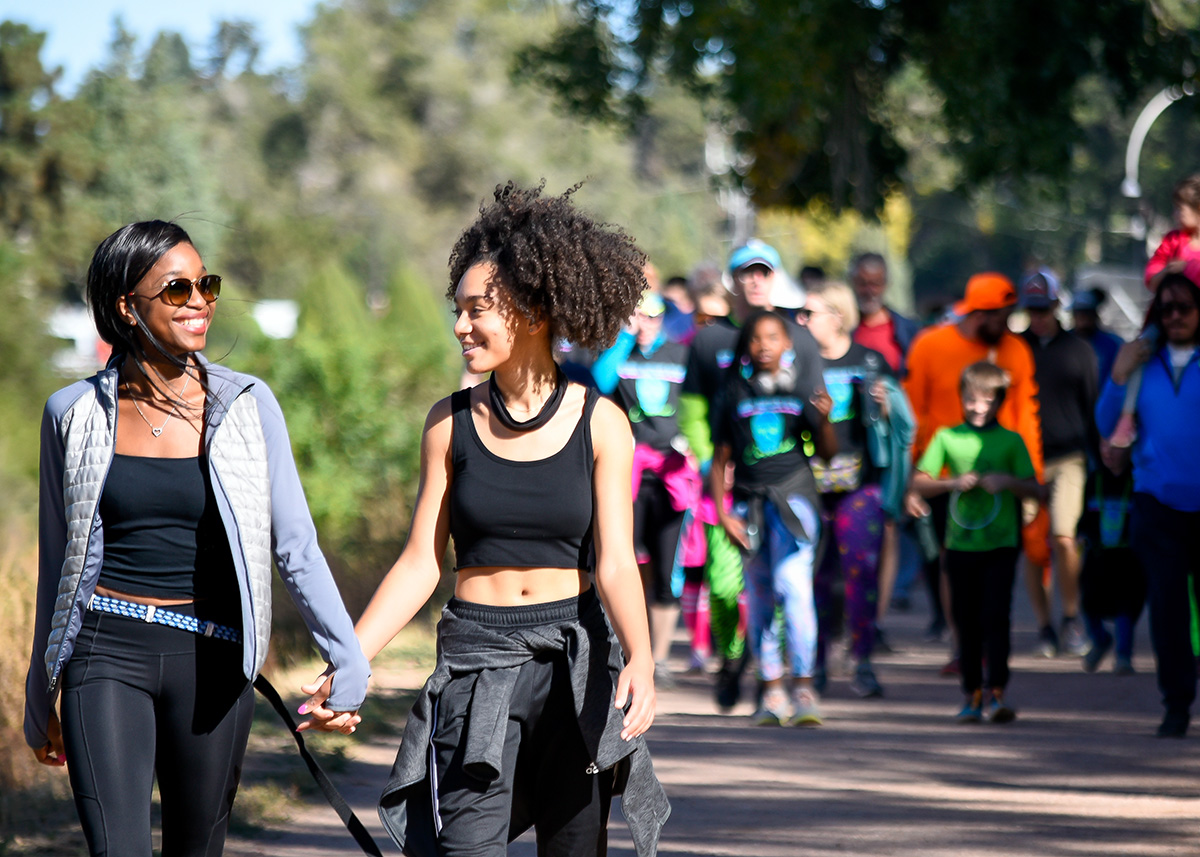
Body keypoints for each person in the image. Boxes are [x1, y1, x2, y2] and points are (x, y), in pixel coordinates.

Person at [322, 182, 668, 856]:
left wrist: (644, 659)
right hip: (476, 663)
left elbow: (617, 561)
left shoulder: (603, 423)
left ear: (534, 311)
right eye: (458, 311)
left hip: (576, 664)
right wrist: (352, 655)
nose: (460, 327)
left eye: (477, 310)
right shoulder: (447, 423)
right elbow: (421, 560)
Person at [24, 220, 369, 857]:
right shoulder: (69, 414)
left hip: (212, 660)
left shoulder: (246, 406)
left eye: (205, 285)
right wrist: (41, 687)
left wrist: (347, 659)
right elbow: (60, 563)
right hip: (103, 654)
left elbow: (294, 545)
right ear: (128, 306)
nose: (200, 302)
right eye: (177, 289)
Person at [677, 240, 826, 711]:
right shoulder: (709, 340)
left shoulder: (799, 339)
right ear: (733, 280)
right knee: (724, 588)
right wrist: (709, 466)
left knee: (786, 587)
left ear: (775, 277)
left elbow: (812, 413)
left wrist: (791, 459)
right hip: (726, 485)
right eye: (746, 272)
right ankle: (732, 657)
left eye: (764, 271)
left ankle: (778, 686)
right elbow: (694, 411)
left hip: (787, 488)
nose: (755, 280)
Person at [903, 273, 1044, 671]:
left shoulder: (1015, 349)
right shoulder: (931, 344)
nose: (1007, 322)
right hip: (945, 476)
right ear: (980, 312)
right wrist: (911, 478)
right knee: (950, 560)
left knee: (997, 562)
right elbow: (913, 410)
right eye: (1001, 315)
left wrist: (1029, 481)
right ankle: (962, 643)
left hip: (1001, 478)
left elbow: (1026, 417)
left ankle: (987, 642)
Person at [711, 310, 837, 726]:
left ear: (788, 344)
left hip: (794, 503)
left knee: (793, 587)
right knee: (760, 596)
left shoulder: (802, 389)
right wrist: (724, 514)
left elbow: (826, 454)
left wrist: (826, 419)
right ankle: (772, 691)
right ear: (746, 346)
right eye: (756, 338)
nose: (764, 344)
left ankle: (804, 687)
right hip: (750, 507)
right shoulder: (733, 394)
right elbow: (720, 460)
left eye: (773, 337)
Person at [1096, 271, 1200, 738]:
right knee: (1167, 606)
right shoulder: (1140, 362)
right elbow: (1105, 421)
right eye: (1166, 308)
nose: (1175, 316)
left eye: (1185, 307)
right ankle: (1176, 703)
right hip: (1157, 503)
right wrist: (1118, 375)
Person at [912, 362, 1044, 724]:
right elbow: (919, 483)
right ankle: (971, 694)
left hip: (1001, 544)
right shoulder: (946, 437)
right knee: (966, 621)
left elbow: (1036, 489)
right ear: (962, 399)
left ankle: (997, 693)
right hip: (959, 545)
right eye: (970, 399)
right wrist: (952, 483)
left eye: (986, 399)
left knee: (996, 617)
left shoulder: (1011, 441)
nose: (977, 406)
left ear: (999, 400)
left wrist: (1008, 482)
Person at [804, 281, 910, 699]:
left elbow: (901, 422)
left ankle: (862, 660)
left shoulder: (870, 361)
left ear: (838, 316)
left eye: (810, 314)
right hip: (809, 485)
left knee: (859, 573)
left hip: (858, 485)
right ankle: (814, 665)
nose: (802, 321)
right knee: (816, 578)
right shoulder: (800, 361)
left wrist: (888, 406)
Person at [592, 290, 700, 685]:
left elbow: (695, 404)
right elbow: (601, 380)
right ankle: (623, 651)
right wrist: (624, 337)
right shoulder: (620, 353)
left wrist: (694, 446)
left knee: (669, 567)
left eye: (653, 315)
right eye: (637, 314)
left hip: (672, 472)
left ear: (664, 318)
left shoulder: (680, 354)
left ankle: (661, 657)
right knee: (625, 560)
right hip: (629, 472)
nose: (645, 322)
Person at [1018, 270, 1099, 658]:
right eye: (1032, 309)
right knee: (1033, 547)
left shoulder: (1080, 350)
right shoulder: (1016, 349)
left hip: (1068, 457)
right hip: (1027, 461)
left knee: (1064, 537)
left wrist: (1100, 457)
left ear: (1057, 305)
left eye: (1045, 308)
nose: (1039, 316)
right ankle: (1044, 626)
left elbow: (1093, 406)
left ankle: (1070, 617)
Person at [1078, 440, 1146, 675]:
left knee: (1125, 606)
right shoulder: (1094, 479)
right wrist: (1081, 533)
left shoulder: (1137, 480)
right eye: (1103, 445)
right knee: (1089, 602)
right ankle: (1099, 639)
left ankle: (1124, 656)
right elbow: (1085, 515)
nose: (1108, 452)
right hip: (1098, 557)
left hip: (1127, 559)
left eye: (1116, 446)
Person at [849, 252, 921, 375]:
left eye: (875, 284)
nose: (869, 291)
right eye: (863, 284)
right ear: (853, 283)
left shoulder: (908, 331)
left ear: (886, 284)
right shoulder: (845, 329)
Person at [1145, 175, 1200, 291]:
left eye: (1179, 209)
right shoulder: (1172, 240)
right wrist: (1167, 271)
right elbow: (1151, 280)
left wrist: (1187, 268)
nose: (1174, 214)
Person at [1071, 287, 1124, 388]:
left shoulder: (1112, 344)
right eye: (1078, 315)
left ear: (1095, 314)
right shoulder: (1065, 342)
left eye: (1086, 315)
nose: (1082, 321)